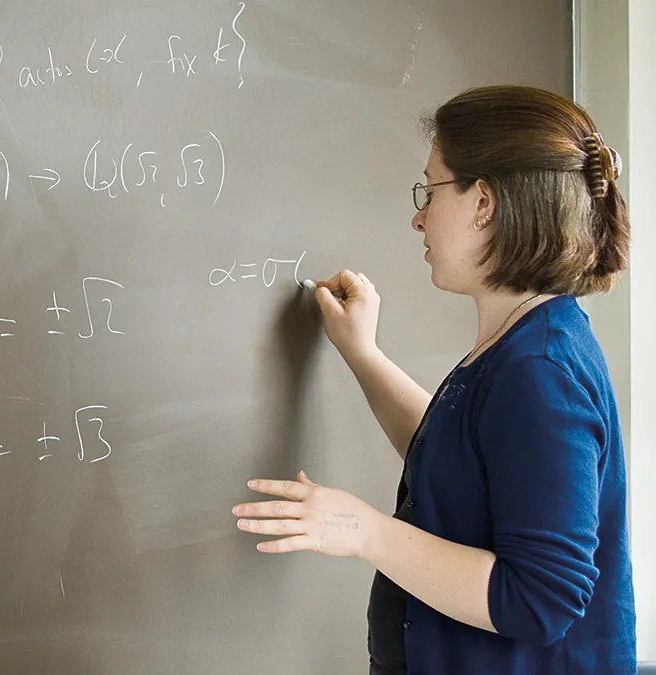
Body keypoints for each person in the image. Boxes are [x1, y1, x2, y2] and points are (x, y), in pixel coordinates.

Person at [232, 85, 637, 675]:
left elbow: (541, 598)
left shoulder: (540, 371)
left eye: (432, 188)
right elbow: (461, 458)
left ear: (485, 203)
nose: (418, 215)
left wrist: (364, 531)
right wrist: (363, 354)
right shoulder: (520, 342)